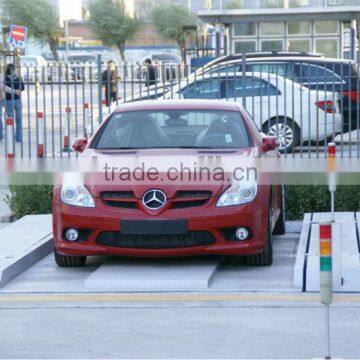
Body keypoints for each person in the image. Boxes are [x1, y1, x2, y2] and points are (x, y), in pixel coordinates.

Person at [5, 64, 24, 143]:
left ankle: (13, 137)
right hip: (15, 100)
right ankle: (18, 138)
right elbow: (22, 87)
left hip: (10, 100)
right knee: (17, 120)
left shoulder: (5, 78)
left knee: (11, 120)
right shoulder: (13, 78)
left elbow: (22, 88)